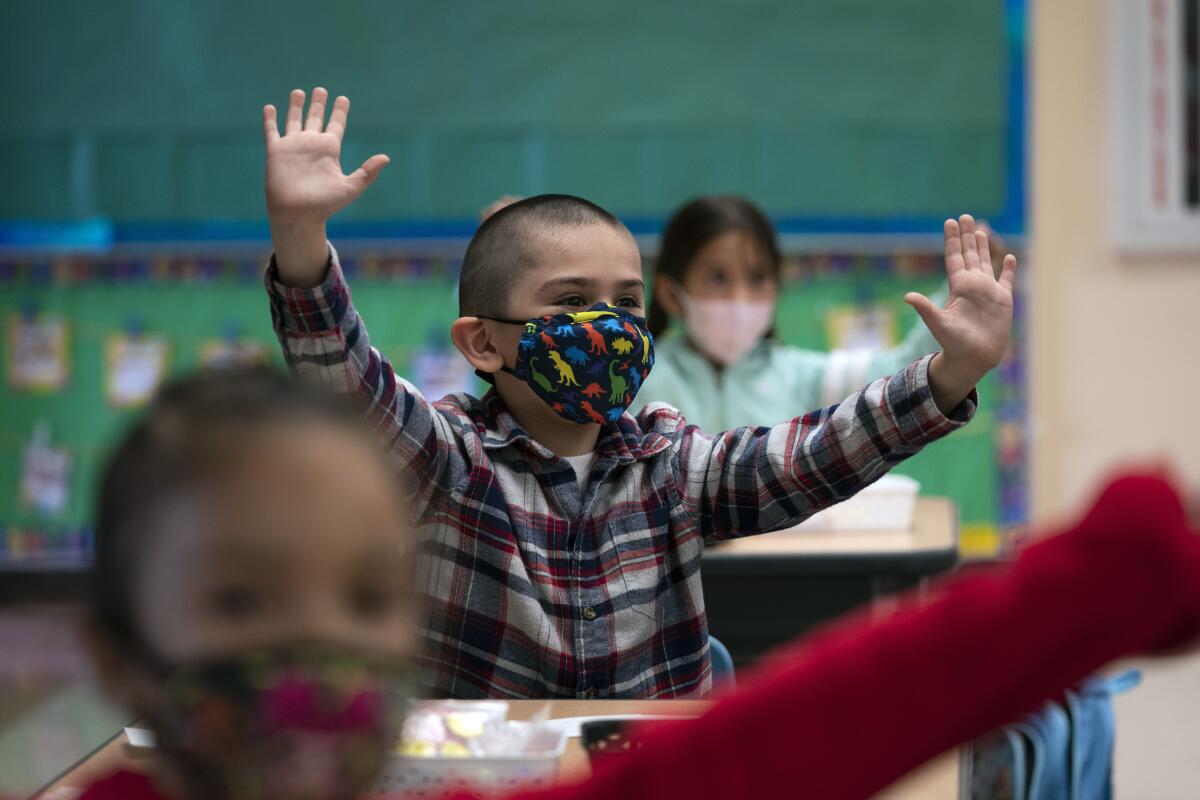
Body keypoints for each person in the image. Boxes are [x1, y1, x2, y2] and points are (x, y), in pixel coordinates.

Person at [77, 372, 1200, 798]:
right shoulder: (456, 461)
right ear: (117, 654)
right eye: (243, 601)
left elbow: (799, 734)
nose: (318, 642)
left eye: (370, 600)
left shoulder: (670, 456)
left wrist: (1084, 591)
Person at [260, 86, 1014, 699]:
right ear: (483, 343)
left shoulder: (669, 460)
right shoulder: (447, 460)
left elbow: (811, 457)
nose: (610, 327)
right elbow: (346, 382)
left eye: (625, 303)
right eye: (572, 300)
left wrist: (950, 374)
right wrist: (300, 240)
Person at [634, 195, 950, 431]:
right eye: (717, 278)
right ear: (670, 294)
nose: (739, 299)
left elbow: (901, 373)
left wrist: (955, 294)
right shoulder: (637, 379)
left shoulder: (801, 378)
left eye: (757, 278)